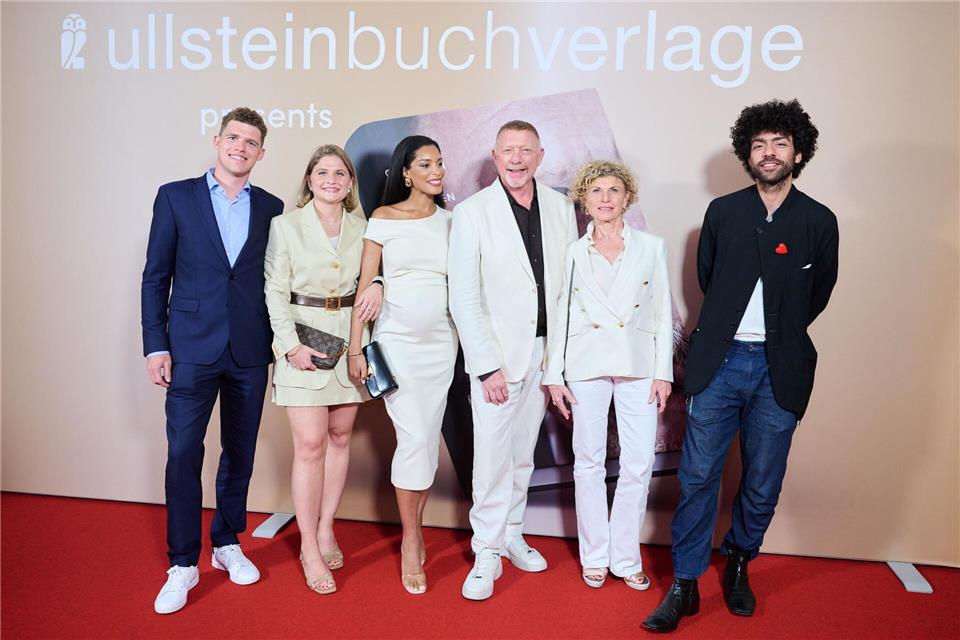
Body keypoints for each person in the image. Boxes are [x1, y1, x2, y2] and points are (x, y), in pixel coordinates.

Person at [642, 99, 839, 633]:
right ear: (747, 155)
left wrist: (777, 334)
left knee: (762, 483)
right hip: (720, 364)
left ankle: (738, 561)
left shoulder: (819, 221)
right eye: (759, 145)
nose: (768, 153)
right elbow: (709, 278)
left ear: (798, 153)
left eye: (779, 144)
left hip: (780, 369)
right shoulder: (723, 213)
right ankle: (684, 583)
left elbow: (817, 294)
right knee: (697, 477)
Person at [141, 108, 284, 614]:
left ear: (261, 153)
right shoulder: (175, 196)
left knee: (239, 453)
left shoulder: (272, 207)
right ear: (217, 140)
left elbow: (275, 279)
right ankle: (182, 563)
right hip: (189, 349)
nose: (241, 147)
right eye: (234, 137)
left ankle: (226, 542)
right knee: (183, 453)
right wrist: (156, 344)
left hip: (249, 349)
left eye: (251, 142)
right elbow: (155, 275)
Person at [448, 120, 578, 601]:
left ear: (540, 156)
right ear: (495, 156)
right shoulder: (473, 212)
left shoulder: (562, 208)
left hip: (544, 353)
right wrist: (486, 366)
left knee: (524, 453)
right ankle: (486, 549)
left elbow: (567, 289)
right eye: (508, 150)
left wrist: (558, 361)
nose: (517, 159)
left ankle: (512, 533)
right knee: (491, 457)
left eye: (526, 150)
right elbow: (464, 296)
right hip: (497, 359)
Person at [542, 160, 673, 591]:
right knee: (588, 462)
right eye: (596, 190)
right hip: (585, 365)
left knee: (638, 462)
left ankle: (626, 557)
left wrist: (663, 373)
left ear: (627, 197)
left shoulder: (651, 247)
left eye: (613, 190)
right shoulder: (572, 252)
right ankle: (595, 556)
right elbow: (560, 314)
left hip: (639, 365)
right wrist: (554, 374)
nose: (605, 198)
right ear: (584, 199)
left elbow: (661, 312)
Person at [264, 145, 383, 595]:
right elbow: (274, 291)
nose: (331, 179)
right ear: (310, 180)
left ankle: (327, 526)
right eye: (322, 172)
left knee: (339, 437)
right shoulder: (285, 225)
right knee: (310, 445)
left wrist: (378, 284)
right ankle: (308, 546)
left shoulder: (364, 227)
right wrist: (289, 346)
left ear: (350, 183)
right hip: (302, 344)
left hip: (351, 342)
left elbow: (374, 275)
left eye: (340, 173)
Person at [348, 135, 458, 595]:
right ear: (406, 173)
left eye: (440, 163)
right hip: (397, 343)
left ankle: (416, 527)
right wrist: (356, 348)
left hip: (442, 345)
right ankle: (411, 539)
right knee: (413, 438)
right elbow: (364, 283)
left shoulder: (453, 222)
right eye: (426, 164)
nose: (437, 171)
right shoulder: (382, 217)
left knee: (425, 440)